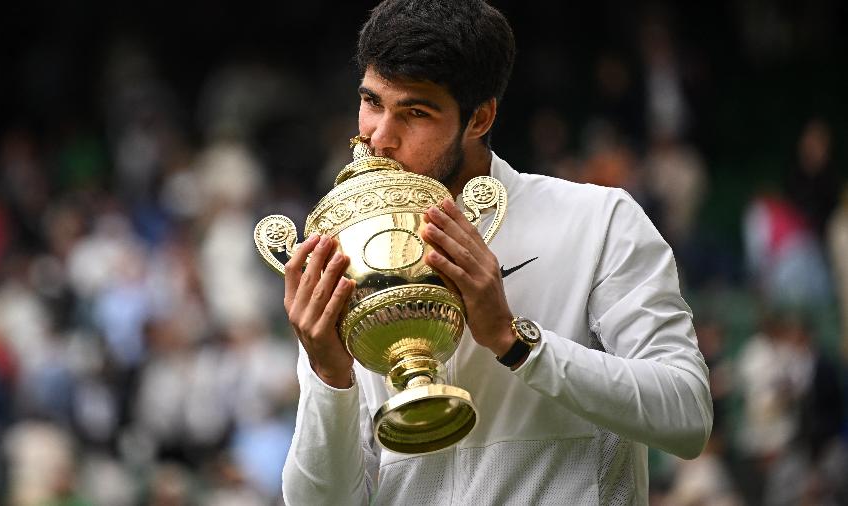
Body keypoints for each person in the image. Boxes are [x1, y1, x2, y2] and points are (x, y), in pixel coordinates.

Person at [280, 1, 712, 504]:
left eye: (415, 112)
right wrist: (328, 377)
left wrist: (516, 343)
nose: (380, 138)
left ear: (480, 117)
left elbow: (687, 416)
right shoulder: (348, 247)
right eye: (372, 102)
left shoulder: (597, 220)